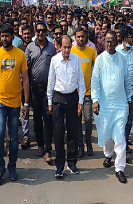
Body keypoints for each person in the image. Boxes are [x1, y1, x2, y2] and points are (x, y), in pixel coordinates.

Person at [0, 24, 29, 185]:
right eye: (1, 36)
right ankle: (0, 167)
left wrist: (26, 103)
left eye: (7, 36)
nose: (4, 39)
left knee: (13, 138)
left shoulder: (20, 55)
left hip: (15, 103)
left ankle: (12, 167)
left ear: (13, 36)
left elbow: (25, 79)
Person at [92, 31, 133, 184]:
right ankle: (108, 154)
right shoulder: (100, 60)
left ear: (117, 42)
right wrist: (95, 99)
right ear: (104, 42)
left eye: (112, 41)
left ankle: (120, 168)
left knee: (120, 136)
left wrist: (129, 98)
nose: (109, 44)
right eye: (107, 41)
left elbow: (128, 80)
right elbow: (95, 81)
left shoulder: (123, 59)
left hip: (120, 104)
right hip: (104, 104)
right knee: (107, 133)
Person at [46, 35, 86, 178]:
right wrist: (50, 102)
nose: (67, 50)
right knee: (58, 134)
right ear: (59, 47)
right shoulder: (55, 60)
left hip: (73, 98)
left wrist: (80, 101)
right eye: (64, 47)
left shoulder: (76, 59)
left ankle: (72, 163)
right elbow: (50, 82)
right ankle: (59, 165)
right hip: (58, 98)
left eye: (69, 47)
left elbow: (81, 81)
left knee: (73, 133)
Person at [25, 22, 56, 163]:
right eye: (38, 31)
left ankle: (48, 149)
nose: (41, 33)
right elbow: (25, 68)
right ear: (35, 33)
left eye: (43, 30)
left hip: (48, 89)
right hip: (34, 88)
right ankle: (41, 145)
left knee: (48, 118)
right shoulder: (30, 48)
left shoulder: (52, 48)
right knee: (37, 119)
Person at [71, 27, 97, 158]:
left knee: (88, 119)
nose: (80, 39)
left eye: (82, 36)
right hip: (74, 93)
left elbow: (96, 70)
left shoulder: (91, 51)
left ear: (86, 36)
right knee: (76, 121)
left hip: (88, 92)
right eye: (78, 37)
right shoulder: (71, 51)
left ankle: (88, 142)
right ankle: (80, 145)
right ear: (75, 38)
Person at [116, 26, 133, 153]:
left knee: (129, 119)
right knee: (121, 119)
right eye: (132, 36)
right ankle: (121, 145)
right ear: (126, 38)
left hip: (132, 91)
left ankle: (124, 141)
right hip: (120, 92)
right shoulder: (116, 51)